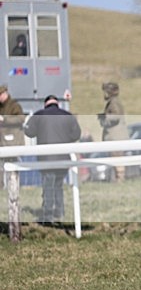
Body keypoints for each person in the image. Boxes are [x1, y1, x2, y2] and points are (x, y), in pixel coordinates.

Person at [23, 96, 82, 224]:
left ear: (45, 104)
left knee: (48, 186)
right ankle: (59, 212)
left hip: (46, 158)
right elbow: (76, 134)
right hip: (63, 157)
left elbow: (29, 132)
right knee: (58, 186)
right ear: (57, 103)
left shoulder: (39, 115)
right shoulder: (68, 115)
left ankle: (48, 214)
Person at [97, 82, 129, 182]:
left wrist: (104, 117)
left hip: (116, 136)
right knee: (116, 159)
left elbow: (116, 116)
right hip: (116, 136)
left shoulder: (114, 103)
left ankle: (120, 179)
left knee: (117, 159)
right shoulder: (113, 102)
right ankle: (118, 178)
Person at [0, 84, 26, 189]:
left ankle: (13, 189)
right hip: (2, 143)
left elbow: (21, 119)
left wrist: (4, 120)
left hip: (12, 143)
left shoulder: (14, 106)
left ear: (5, 94)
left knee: (12, 171)